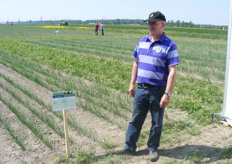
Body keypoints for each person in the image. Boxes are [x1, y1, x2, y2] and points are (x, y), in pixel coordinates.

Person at [115, 11, 180, 162]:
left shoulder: (170, 45)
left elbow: (173, 71)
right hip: (141, 88)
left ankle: (152, 148)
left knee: (157, 122)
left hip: (158, 90)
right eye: (149, 23)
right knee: (136, 118)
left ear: (162, 24)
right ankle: (129, 146)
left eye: (154, 23)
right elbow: (136, 63)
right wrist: (132, 83)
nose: (150, 25)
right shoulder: (142, 41)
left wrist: (167, 94)